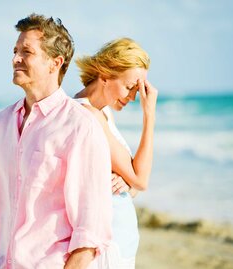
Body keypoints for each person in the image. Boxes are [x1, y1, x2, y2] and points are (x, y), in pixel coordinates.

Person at [0, 14, 113, 269]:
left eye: (26, 52)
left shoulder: (80, 127)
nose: (15, 58)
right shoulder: (1, 124)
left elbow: (90, 234)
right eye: (15, 50)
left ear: (55, 63)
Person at [74, 38, 158, 268]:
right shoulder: (88, 115)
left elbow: (132, 183)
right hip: (105, 250)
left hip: (118, 247)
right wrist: (149, 114)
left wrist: (126, 182)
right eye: (130, 87)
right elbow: (141, 180)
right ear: (104, 75)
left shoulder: (103, 113)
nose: (133, 97)